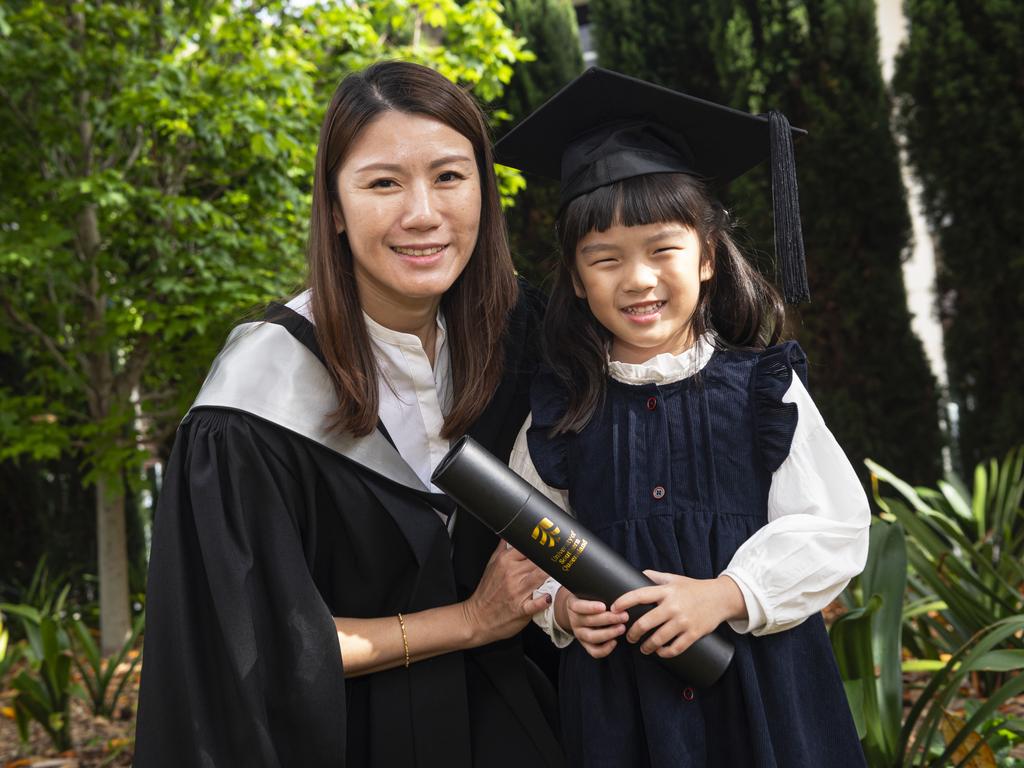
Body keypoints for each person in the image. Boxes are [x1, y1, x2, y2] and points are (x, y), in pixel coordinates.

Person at [134, 61, 564, 768]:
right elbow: (253, 647)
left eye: (451, 176)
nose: (422, 213)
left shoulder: (527, 337)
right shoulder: (253, 405)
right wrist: (469, 621)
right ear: (334, 207)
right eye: (383, 182)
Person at [496, 68, 870, 767]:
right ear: (577, 280)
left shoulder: (765, 389)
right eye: (604, 260)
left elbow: (835, 526)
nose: (636, 279)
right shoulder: (559, 412)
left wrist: (729, 593)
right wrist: (561, 608)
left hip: (764, 695)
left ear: (705, 254)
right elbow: (527, 552)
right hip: (621, 713)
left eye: (662, 249)